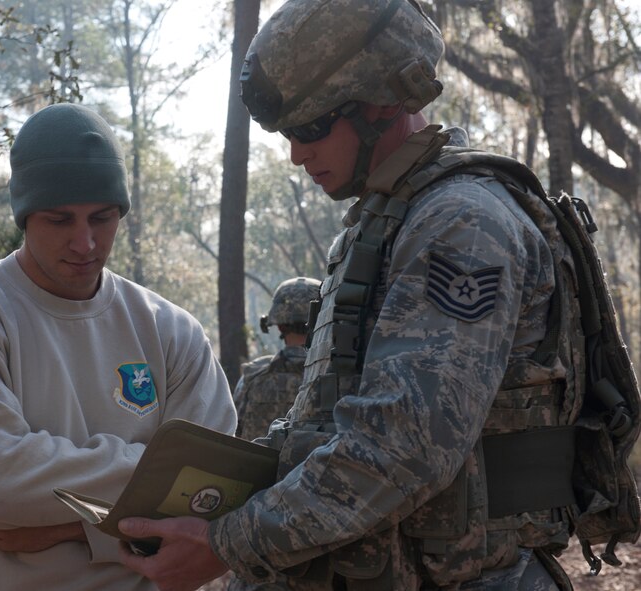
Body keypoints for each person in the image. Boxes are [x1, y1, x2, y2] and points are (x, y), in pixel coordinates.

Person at [117, 1, 580, 589]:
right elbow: (334, 418)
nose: (297, 153)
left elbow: (405, 443)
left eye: (312, 127)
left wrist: (229, 543)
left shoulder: (460, 223)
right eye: (289, 133)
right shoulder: (387, 223)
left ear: (383, 104)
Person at [0, 102, 236, 591]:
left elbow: (212, 490)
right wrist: (156, 477)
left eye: (102, 218)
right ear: (24, 216)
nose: (85, 243)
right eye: (59, 220)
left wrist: (73, 526)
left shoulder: (172, 332)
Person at [233, 277, 321, 441]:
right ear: (321, 322)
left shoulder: (252, 376)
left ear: (279, 325)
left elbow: (233, 433)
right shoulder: (338, 376)